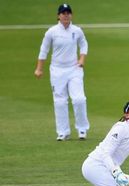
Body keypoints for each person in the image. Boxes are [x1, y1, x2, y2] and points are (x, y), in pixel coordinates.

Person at [34, 4, 90, 141]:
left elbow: (84, 44)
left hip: (74, 69)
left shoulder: (77, 31)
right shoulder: (51, 32)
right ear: (58, 16)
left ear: (71, 15)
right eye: (63, 13)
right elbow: (44, 50)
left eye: (68, 13)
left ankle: (82, 129)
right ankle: (63, 132)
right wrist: (39, 68)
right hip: (57, 70)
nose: (66, 15)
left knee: (79, 99)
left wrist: (82, 59)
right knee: (60, 101)